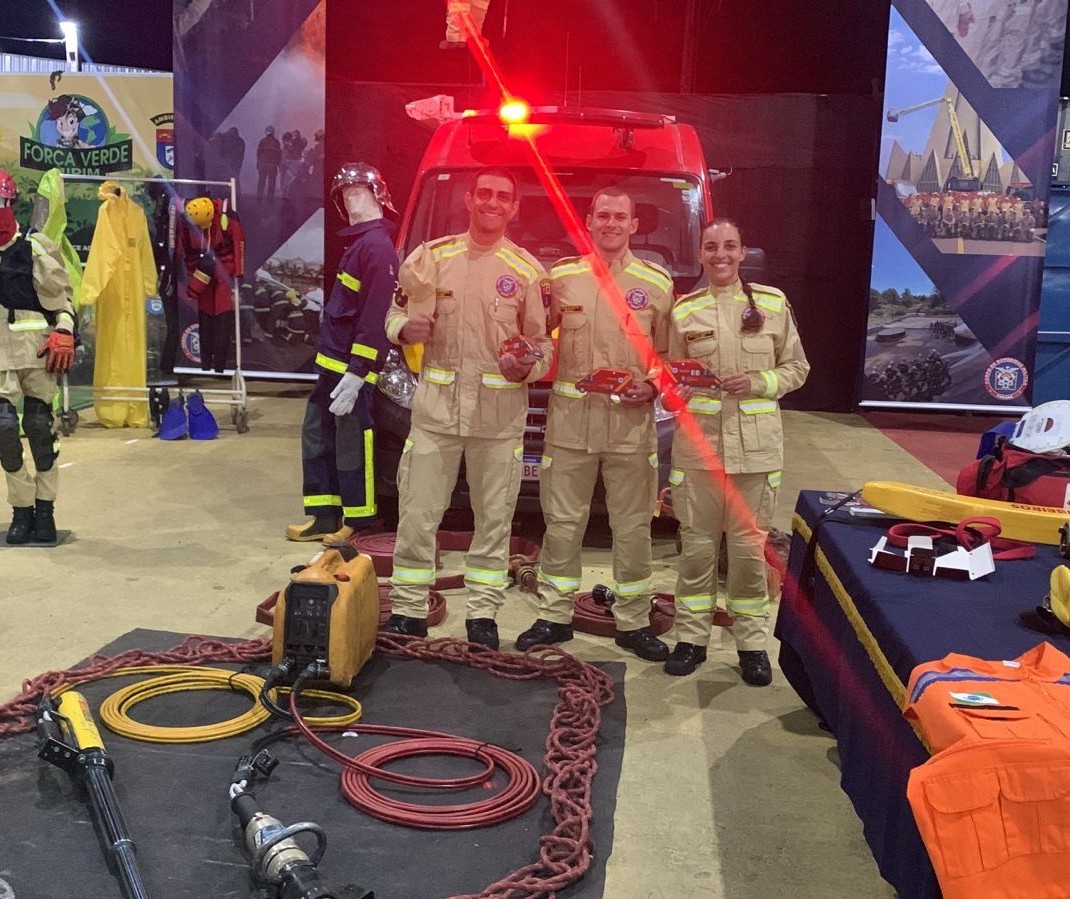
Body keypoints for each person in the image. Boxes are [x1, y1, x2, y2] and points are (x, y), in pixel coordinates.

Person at [384, 166, 552, 648]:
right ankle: (409, 612)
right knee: (417, 516)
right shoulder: (430, 259)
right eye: (485, 194)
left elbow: (541, 344)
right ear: (469, 200)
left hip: (497, 422)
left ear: (514, 207)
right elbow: (396, 311)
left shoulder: (526, 272)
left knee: (494, 521)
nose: (493, 203)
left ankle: (482, 616)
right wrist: (403, 329)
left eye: (504, 196)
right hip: (436, 415)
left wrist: (528, 366)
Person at [514, 187, 674, 661]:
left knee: (632, 529)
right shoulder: (561, 279)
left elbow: (668, 357)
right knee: (562, 524)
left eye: (619, 216)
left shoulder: (657, 283)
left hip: (630, 427)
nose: (610, 224)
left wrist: (652, 386)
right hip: (571, 427)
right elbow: (537, 337)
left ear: (633, 224)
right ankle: (554, 616)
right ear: (588, 221)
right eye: (602, 215)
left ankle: (633, 622)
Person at [664, 219, 809, 685]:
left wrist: (760, 382)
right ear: (701, 254)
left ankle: (752, 645)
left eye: (730, 246)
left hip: (756, 451)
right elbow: (669, 377)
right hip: (699, 449)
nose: (721, 255)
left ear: (743, 250)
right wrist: (674, 385)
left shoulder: (771, 304)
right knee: (697, 550)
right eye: (712, 247)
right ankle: (691, 639)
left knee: (748, 553)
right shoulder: (684, 312)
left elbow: (797, 367)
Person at [286, 163, 399, 546]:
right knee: (318, 437)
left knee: (354, 444)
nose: (351, 202)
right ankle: (324, 515)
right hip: (331, 364)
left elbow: (374, 315)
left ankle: (358, 519)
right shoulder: (361, 244)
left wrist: (359, 371)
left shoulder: (378, 248)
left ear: (377, 195)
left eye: (358, 193)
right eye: (345, 196)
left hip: (351, 371)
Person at [0, 168, 76, 544]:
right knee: (3, 431)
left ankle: (44, 509)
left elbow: (63, 302)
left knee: (40, 430)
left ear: (10, 203)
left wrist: (64, 330)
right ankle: (21, 507)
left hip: (36, 355)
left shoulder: (34, 248)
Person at [256, 126, 282, 200]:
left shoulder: (262, 141)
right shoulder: (276, 142)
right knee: (272, 183)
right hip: (273, 166)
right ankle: (270, 199)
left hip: (263, 165)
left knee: (261, 182)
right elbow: (279, 155)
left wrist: (258, 163)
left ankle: (259, 198)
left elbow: (258, 153)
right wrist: (279, 165)